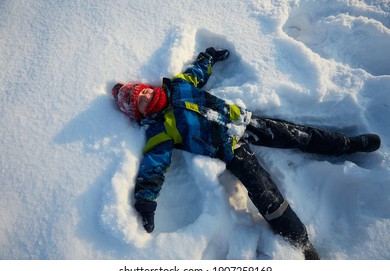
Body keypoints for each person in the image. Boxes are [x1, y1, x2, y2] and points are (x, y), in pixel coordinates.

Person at [111, 47, 381, 260]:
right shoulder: (159, 130)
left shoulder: (179, 85)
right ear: (140, 113)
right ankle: (301, 241)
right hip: (230, 149)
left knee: (296, 134)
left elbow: (197, 72)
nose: (146, 98)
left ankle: (346, 144)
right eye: (141, 103)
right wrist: (146, 201)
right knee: (265, 193)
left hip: (244, 122)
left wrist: (208, 57)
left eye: (143, 92)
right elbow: (153, 166)